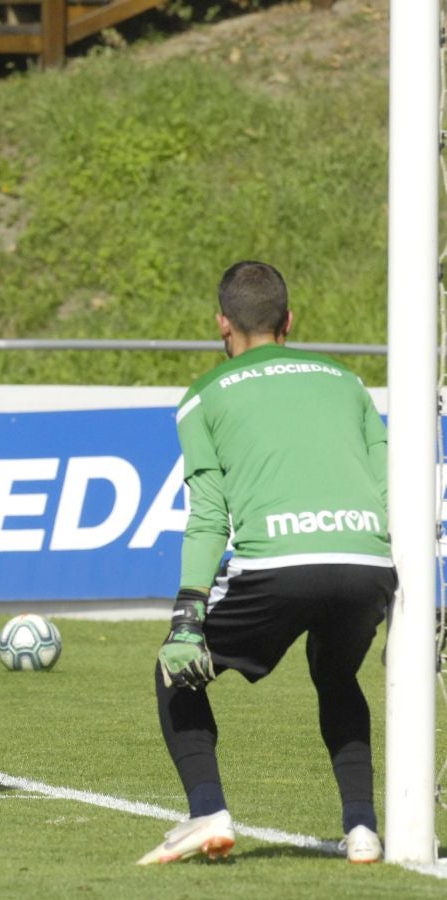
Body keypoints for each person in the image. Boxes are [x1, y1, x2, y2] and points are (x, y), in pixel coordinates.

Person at [139, 261, 395, 865]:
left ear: (222, 325)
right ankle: (362, 829)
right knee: (335, 675)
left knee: (175, 672)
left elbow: (208, 517)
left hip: (278, 564)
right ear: (290, 320)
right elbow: (388, 484)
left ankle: (207, 813)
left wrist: (186, 616)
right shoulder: (347, 381)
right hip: (366, 562)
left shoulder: (203, 396)